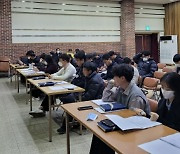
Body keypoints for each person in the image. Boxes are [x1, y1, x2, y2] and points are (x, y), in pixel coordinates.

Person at [90, 64, 150, 154]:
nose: (113, 78)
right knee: (99, 133)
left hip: (134, 127)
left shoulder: (135, 96)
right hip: (122, 120)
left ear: (122, 78)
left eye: (115, 76)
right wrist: (109, 85)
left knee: (106, 136)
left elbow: (135, 119)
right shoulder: (121, 88)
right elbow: (106, 99)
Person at [56, 61, 105, 134]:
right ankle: (74, 122)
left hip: (93, 101)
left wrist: (78, 98)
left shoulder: (94, 80)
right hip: (89, 98)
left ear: (89, 71)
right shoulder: (90, 77)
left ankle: (66, 126)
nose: (83, 71)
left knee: (71, 105)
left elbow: (90, 96)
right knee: (69, 99)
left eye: (84, 70)